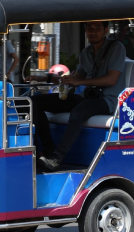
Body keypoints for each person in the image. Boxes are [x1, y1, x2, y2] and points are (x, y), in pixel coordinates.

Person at [27, 21, 126, 171]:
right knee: (34, 102)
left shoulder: (116, 47)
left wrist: (80, 81)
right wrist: (44, 78)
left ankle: (57, 157)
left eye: (97, 28)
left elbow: (111, 79)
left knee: (78, 111)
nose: (92, 31)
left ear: (106, 30)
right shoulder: (86, 53)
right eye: (89, 28)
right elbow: (73, 79)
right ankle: (47, 149)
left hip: (108, 100)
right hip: (87, 97)